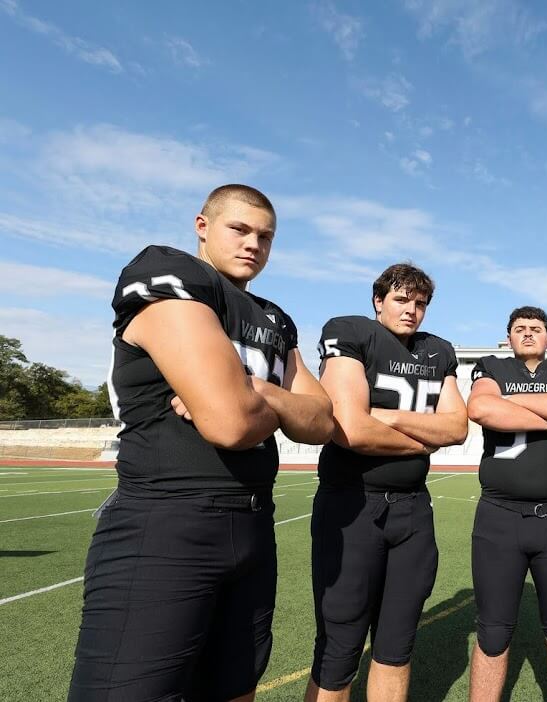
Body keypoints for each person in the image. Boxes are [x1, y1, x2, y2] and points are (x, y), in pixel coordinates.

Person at [69, 184, 335, 702]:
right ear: (203, 225)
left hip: (256, 525)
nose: (253, 244)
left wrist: (256, 389)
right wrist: (270, 404)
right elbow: (230, 424)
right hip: (167, 520)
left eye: (266, 236)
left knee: (236, 688)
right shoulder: (168, 273)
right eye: (239, 229)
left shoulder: (276, 318)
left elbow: (323, 420)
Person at [306, 263, 468, 702]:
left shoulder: (438, 350)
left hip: (413, 512)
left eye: (420, 303)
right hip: (353, 505)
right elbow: (352, 430)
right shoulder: (351, 331)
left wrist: (389, 417)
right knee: (339, 646)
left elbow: (457, 428)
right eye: (401, 299)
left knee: (397, 646)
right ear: (378, 301)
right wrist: (421, 442)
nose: (411, 310)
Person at [466, 306, 547, 702]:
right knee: (492, 633)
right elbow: (481, 408)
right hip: (499, 517)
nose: (527, 334)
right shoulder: (491, 367)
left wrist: (515, 406)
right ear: (508, 338)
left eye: (535, 329)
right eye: (519, 329)